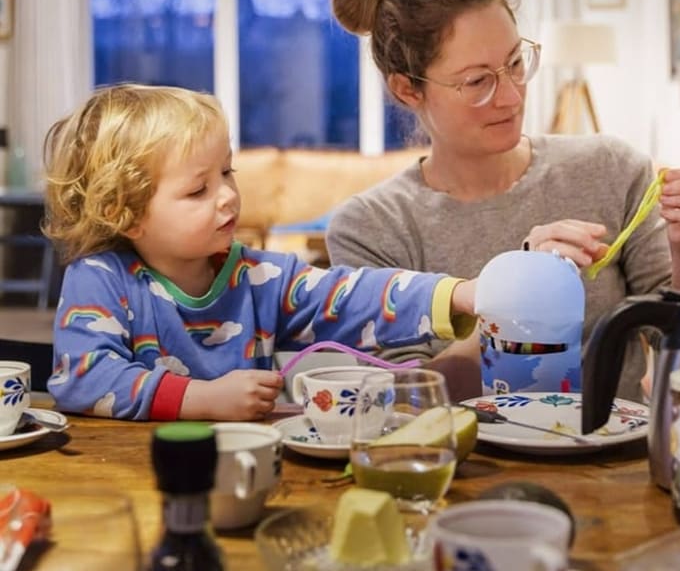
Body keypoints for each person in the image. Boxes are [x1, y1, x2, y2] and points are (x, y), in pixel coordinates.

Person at [326, 0, 680, 401]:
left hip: (615, 464)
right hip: (467, 469)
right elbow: (404, 399)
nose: (512, 97)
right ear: (406, 88)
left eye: (516, 64)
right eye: (478, 82)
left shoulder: (610, 169)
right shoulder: (370, 227)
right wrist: (520, 294)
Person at [42, 84, 477, 422]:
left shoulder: (262, 278)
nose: (228, 195)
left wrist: (459, 294)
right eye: (198, 189)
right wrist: (203, 399)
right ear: (127, 215)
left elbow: (352, 295)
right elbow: (81, 378)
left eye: (227, 172)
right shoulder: (99, 278)